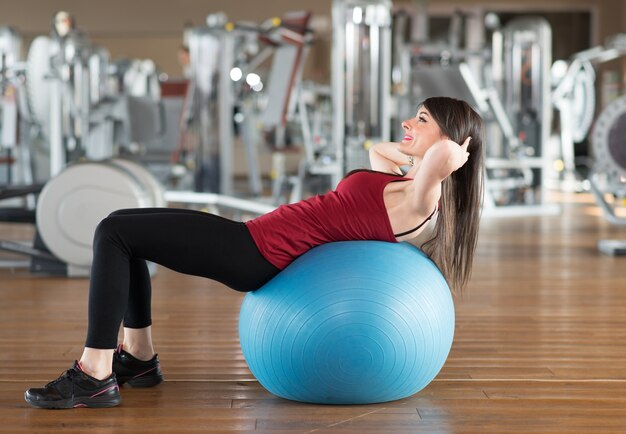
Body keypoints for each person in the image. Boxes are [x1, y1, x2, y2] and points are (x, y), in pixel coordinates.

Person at [24, 96, 484, 409]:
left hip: (255, 252)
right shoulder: (403, 183)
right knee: (123, 224)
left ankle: (95, 372)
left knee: (114, 233)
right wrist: (423, 152)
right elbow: (377, 150)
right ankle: (138, 362)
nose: (407, 122)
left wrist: (443, 158)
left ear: (448, 144)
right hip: (254, 237)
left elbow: (430, 176)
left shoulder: (421, 198)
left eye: (421, 119)